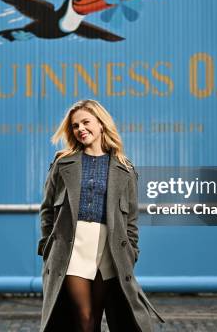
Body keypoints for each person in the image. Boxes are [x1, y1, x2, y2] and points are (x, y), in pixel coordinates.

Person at [38, 99, 165, 332]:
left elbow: (131, 220)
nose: (80, 129)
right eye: (75, 126)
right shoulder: (63, 163)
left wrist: (131, 252)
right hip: (71, 248)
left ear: (101, 124)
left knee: (95, 318)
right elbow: (47, 209)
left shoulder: (124, 168)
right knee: (84, 318)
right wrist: (47, 245)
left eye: (85, 122)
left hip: (108, 250)